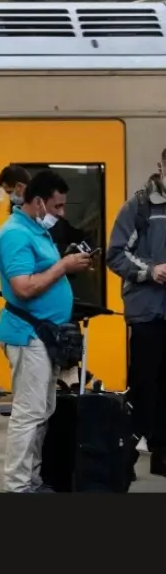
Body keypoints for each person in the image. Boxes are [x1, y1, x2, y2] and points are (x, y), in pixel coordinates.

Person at [0, 170, 92, 493]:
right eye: (58, 206)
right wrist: (63, 266)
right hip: (27, 335)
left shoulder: (35, 229)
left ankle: (32, 479)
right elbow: (23, 287)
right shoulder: (15, 235)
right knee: (28, 412)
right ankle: (17, 486)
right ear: (38, 202)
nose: (62, 214)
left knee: (43, 410)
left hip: (45, 337)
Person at [107, 148, 166, 476]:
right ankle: (126, 451)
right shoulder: (139, 208)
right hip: (147, 310)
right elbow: (115, 255)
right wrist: (152, 271)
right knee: (145, 382)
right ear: (161, 166)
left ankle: (161, 451)